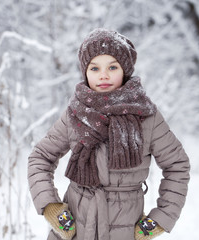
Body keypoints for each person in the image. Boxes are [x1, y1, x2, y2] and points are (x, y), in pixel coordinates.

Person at [28, 28, 190, 240]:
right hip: (75, 229)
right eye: (94, 68)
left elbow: (177, 165)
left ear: (125, 70)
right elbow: (40, 157)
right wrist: (51, 206)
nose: (103, 75)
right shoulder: (76, 113)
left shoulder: (146, 116)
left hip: (125, 230)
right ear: (85, 72)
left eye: (112, 67)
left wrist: (161, 218)